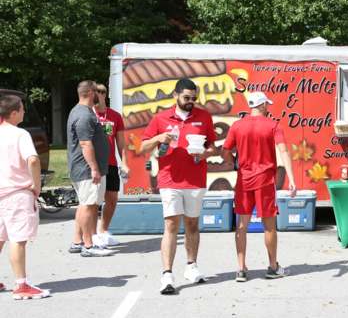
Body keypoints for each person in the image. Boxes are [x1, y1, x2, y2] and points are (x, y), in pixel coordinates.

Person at [139, 78, 217, 295]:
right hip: (170, 180)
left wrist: (204, 153)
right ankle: (167, 274)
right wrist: (159, 137)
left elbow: (212, 146)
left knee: (192, 224)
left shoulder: (204, 117)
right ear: (175, 95)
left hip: (195, 179)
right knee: (171, 224)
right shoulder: (161, 118)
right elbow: (142, 145)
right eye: (186, 98)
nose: (191, 101)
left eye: (194, 98)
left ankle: (192, 266)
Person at [222, 92, 296, 282]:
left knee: (241, 225)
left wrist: (234, 163)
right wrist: (292, 179)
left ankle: (240, 269)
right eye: (267, 105)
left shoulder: (237, 126)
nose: (268, 108)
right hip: (264, 180)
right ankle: (272, 267)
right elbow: (284, 151)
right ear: (262, 105)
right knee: (269, 226)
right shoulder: (272, 125)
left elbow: (225, 150)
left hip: (244, 179)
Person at [0, 94, 50, 299]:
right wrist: (36, 185)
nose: (24, 111)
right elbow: (33, 160)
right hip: (16, 193)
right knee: (18, 239)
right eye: (21, 108)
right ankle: (21, 285)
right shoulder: (20, 134)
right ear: (13, 113)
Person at [67, 80, 112, 257]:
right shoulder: (84, 115)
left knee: (85, 204)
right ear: (91, 93)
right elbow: (85, 144)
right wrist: (94, 168)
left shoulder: (81, 111)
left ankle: (77, 242)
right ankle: (88, 245)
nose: (100, 95)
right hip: (87, 170)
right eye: (97, 92)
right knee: (88, 205)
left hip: (86, 169)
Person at [92, 83, 127, 246]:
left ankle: (103, 231)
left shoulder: (115, 116)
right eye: (96, 91)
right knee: (91, 202)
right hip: (94, 164)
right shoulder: (88, 115)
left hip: (111, 163)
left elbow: (121, 143)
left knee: (112, 198)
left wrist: (124, 163)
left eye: (102, 91)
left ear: (106, 94)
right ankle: (88, 237)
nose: (99, 94)